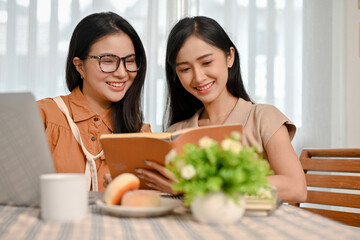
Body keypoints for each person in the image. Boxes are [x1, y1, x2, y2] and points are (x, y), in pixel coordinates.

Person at [137, 16, 307, 203]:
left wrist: (196, 186)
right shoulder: (176, 132)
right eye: (185, 69)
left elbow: (296, 188)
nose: (199, 77)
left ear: (230, 57)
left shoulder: (263, 118)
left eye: (207, 62)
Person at [38, 12, 151, 192]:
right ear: (79, 65)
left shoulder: (142, 134)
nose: (122, 73)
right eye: (107, 61)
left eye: (129, 61)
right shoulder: (42, 116)